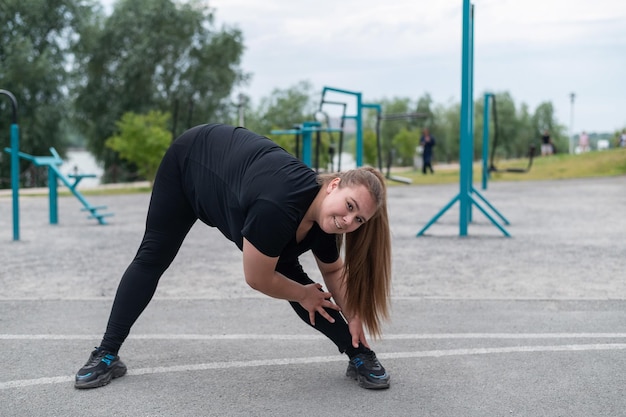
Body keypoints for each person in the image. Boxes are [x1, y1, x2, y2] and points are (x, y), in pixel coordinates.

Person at [74, 123, 392, 390]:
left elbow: (334, 273)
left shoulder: (329, 220)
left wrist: (354, 314)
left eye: (359, 220)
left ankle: (359, 353)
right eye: (350, 207)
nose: (348, 222)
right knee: (152, 257)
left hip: (235, 184)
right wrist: (302, 294)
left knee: (303, 288)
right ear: (333, 186)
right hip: (188, 164)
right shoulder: (278, 207)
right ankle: (106, 354)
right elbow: (257, 278)